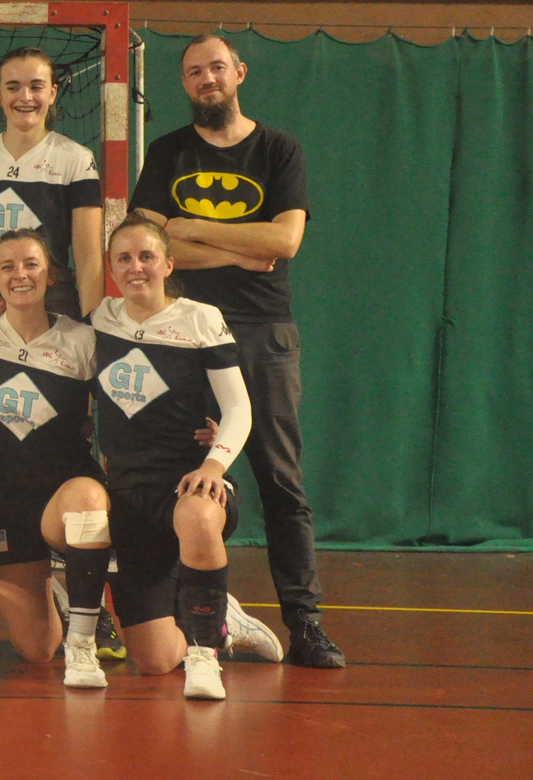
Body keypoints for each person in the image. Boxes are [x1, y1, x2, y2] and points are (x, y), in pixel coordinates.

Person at [131, 33, 344, 668]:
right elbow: (150, 247)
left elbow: (284, 242)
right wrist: (241, 248)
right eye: (194, 71)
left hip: (263, 333)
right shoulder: (168, 151)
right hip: (182, 335)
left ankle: (305, 623)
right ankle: (198, 613)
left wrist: (194, 228)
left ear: (239, 73)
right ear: (184, 83)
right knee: (184, 474)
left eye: (217, 68)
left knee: (281, 482)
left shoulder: (279, 149)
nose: (207, 79)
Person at [92, 216, 280, 700]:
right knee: (154, 662)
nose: (136, 267)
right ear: (110, 268)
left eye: (147, 256)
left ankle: (204, 656)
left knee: (197, 513)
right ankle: (222, 617)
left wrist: (214, 464)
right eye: (124, 258)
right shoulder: (99, 320)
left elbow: (238, 407)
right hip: (128, 491)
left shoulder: (200, 318)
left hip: (188, 479)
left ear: (168, 265)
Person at [0, 229, 111, 688]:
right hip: (3, 502)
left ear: (51, 275)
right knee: (36, 650)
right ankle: (43, 597)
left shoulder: (83, 340)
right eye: (8, 267)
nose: (20, 275)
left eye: (31, 264)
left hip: (66, 494)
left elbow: (132, 401)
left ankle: (84, 642)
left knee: (87, 502)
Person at [0, 47, 102, 318]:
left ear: (52, 93)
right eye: (13, 87)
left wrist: (93, 325)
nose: (25, 97)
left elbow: (88, 258)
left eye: (36, 87)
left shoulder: (75, 159)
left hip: (51, 305)